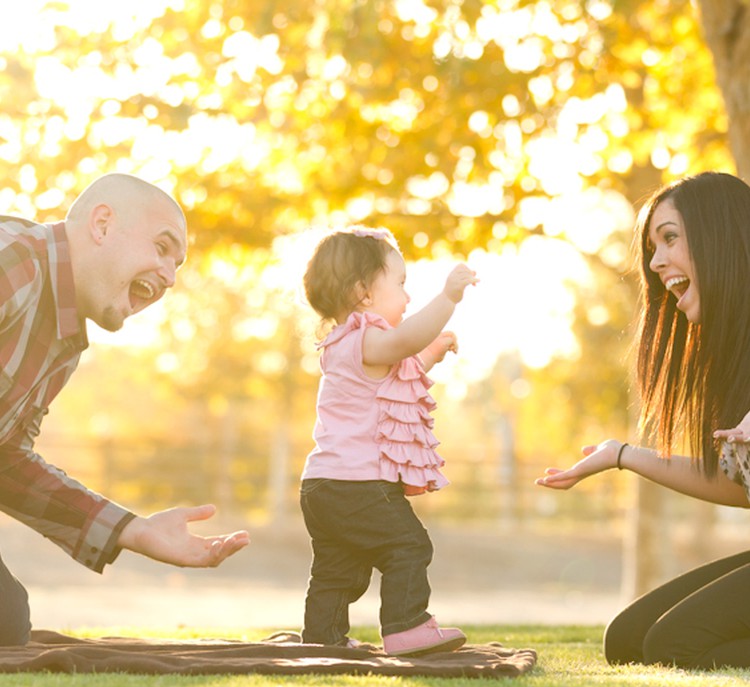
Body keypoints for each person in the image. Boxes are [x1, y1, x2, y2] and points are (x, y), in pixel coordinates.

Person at [0, 172, 249, 645]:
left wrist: (134, 531)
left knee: (5, 621)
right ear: (102, 224)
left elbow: (6, 460)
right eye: (162, 247)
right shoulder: (13, 259)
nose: (171, 277)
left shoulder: (64, 344)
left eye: (177, 265)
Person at [536, 170, 750, 671]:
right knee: (628, 640)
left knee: (674, 645)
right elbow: (739, 486)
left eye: (670, 238)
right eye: (653, 246)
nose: (656, 263)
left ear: (720, 234)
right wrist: (623, 456)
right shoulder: (734, 357)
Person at [300, 226, 477, 655]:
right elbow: (402, 342)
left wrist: (432, 350)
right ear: (363, 292)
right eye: (400, 284)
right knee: (409, 544)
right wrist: (448, 299)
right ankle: (405, 625)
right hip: (358, 484)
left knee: (339, 569)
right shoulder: (363, 338)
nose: (408, 296)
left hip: (324, 486)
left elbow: (401, 362)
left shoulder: (345, 344)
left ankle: (322, 639)